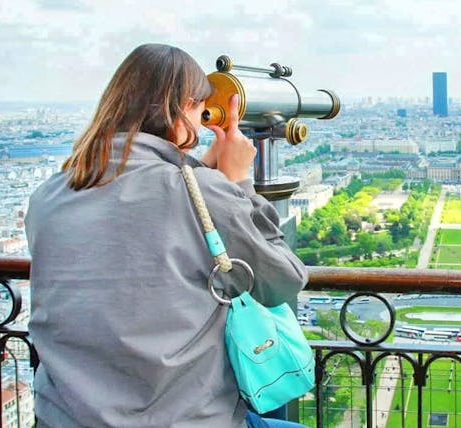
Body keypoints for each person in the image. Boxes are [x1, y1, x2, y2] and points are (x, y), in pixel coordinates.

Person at [26, 43, 309, 428]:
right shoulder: (199, 192)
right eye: (200, 110)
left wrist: (200, 172)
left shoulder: (48, 196)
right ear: (182, 109)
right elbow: (283, 281)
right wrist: (239, 183)